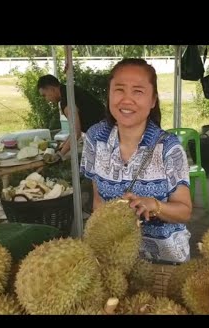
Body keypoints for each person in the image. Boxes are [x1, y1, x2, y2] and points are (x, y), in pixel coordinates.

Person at [80, 58, 192, 263]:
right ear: (109, 94)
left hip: (165, 261)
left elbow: (184, 212)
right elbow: (98, 201)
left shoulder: (168, 147)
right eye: (119, 90)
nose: (127, 100)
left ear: (152, 101)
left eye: (138, 91)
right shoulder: (95, 138)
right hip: (115, 260)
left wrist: (155, 205)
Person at [37, 74, 105, 160]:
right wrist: (61, 148)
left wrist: (59, 155)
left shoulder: (67, 100)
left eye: (44, 95)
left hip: (106, 134)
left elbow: (76, 133)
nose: (46, 100)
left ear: (51, 88)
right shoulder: (70, 90)